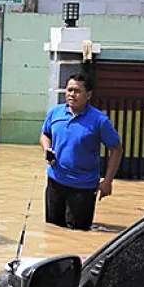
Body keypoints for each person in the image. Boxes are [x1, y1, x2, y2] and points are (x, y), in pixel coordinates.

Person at [40, 73, 123, 230]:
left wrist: (107, 181)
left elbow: (116, 149)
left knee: (78, 232)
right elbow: (44, 134)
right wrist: (47, 148)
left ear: (88, 95)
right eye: (69, 90)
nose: (72, 94)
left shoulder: (99, 120)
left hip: (83, 187)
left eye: (77, 91)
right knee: (52, 230)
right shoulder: (55, 113)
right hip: (55, 182)